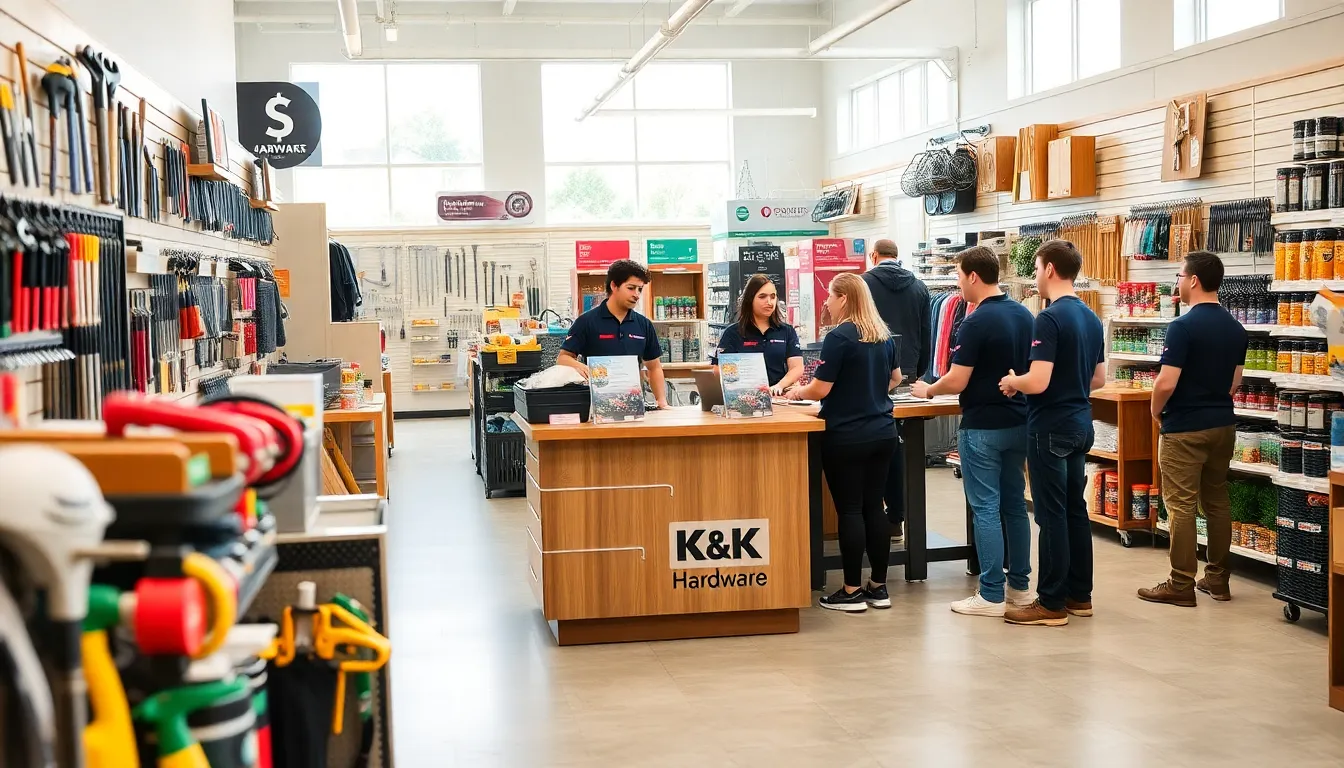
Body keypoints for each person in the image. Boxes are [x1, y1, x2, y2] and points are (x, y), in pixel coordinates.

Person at [911, 246, 1035, 617]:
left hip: (982, 426)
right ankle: (1020, 589)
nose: (957, 285)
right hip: (1019, 421)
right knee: (1015, 506)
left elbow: (958, 378)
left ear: (973, 277)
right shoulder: (1024, 315)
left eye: (959, 277)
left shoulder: (976, 321)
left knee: (985, 508)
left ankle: (991, 594)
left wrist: (928, 389)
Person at [998, 240, 1105, 627]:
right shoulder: (1091, 317)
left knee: (1051, 514)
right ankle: (1080, 596)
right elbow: (1099, 377)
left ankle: (1051, 602)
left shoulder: (1049, 317)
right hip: (1081, 422)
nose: (1035, 276)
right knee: (1075, 509)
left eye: (1037, 267)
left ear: (1049, 270)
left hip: (1050, 426)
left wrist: (1014, 381)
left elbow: (1038, 380)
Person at [787, 273, 902, 612]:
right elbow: (895, 378)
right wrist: (868, 394)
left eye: (830, 297)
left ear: (845, 299)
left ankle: (850, 590)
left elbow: (820, 388)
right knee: (874, 508)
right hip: (883, 431)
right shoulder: (882, 335)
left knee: (849, 509)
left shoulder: (839, 337)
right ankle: (878, 587)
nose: (825, 302)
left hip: (847, 435)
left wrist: (797, 392)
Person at [1138, 251, 1247, 607]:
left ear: (1194, 280)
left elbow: (1166, 382)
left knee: (1181, 505)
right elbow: (1235, 383)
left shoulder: (1182, 327)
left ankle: (1180, 583)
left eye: (1180, 275)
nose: (1178, 282)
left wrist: (1156, 411)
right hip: (1223, 425)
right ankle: (1217, 580)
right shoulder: (1235, 328)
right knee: (1216, 500)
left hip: (1184, 427)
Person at [862, 239, 931, 544]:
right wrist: (919, 371)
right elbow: (927, 333)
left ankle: (874, 516)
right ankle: (897, 519)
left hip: (870, 373)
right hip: (907, 372)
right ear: (897, 256)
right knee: (901, 444)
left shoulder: (863, 284)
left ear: (874, 256)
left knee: (873, 441)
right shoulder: (919, 286)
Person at [558, 259, 669, 410]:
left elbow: (654, 367)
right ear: (614, 286)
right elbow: (563, 358)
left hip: (632, 406)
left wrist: (661, 402)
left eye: (640, 289)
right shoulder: (586, 322)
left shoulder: (643, 325)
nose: (636, 295)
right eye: (631, 288)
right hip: (595, 408)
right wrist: (580, 366)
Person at [711, 274, 803, 394]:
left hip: (780, 398)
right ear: (750, 299)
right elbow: (718, 369)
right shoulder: (733, 333)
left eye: (773, 296)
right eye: (762, 297)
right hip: (745, 399)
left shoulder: (787, 331)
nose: (769, 302)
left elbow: (797, 367)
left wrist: (779, 386)